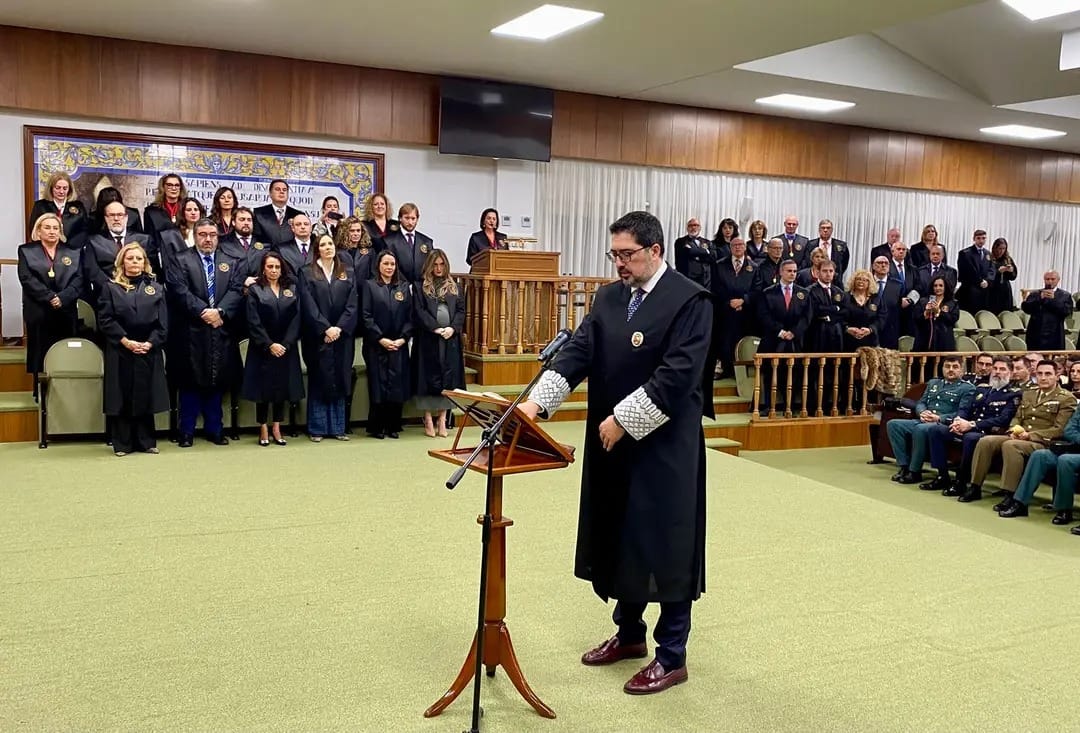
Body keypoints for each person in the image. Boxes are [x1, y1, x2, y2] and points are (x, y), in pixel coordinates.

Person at [518, 210, 712, 696]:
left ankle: (672, 656)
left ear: (655, 250)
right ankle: (629, 635)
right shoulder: (609, 297)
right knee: (623, 534)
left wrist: (624, 419)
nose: (620, 264)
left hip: (665, 449)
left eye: (627, 254)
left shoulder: (690, 300)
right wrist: (536, 404)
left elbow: (678, 375)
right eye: (615, 255)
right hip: (614, 445)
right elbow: (578, 352)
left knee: (665, 544)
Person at [165, 218, 244, 448]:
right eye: (203, 234)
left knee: (216, 381)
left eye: (212, 235)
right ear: (195, 235)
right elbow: (179, 290)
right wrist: (203, 311)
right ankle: (186, 432)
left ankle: (215, 430)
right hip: (190, 330)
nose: (208, 239)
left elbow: (236, 289)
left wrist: (220, 311)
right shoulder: (180, 259)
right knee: (189, 383)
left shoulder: (231, 261)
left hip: (220, 329)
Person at [964, 360, 1077, 502]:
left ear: (1057, 375)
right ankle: (975, 486)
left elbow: (1059, 429)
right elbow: (1017, 417)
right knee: (986, 441)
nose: (1043, 377)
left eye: (1048, 374)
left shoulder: (1066, 398)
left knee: (1011, 445)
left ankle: (1010, 493)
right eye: (1040, 374)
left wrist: (1030, 435)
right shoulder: (1029, 394)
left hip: (1043, 442)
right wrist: (1014, 429)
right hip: (1021, 436)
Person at [95, 243, 169, 456]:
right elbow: (105, 319)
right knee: (122, 395)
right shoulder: (110, 287)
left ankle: (146, 442)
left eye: (139, 258)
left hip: (148, 348)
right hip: (121, 348)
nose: (135, 262)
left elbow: (163, 322)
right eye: (130, 258)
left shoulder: (156, 288)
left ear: (145, 263)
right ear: (122, 262)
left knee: (146, 394)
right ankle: (123, 443)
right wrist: (125, 341)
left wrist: (151, 342)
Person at [920, 357, 1021, 496]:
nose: (997, 372)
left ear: (1010, 372)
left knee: (970, 438)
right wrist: (958, 421)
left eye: (1002, 369)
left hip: (988, 431)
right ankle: (942, 475)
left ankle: (961, 481)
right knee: (936, 429)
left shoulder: (1014, 394)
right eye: (995, 368)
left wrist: (971, 425)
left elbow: (1003, 419)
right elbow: (966, 409)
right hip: (967, 426)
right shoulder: (982, 389)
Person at [299, 235, 358, 442]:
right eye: (323, 245)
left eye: (330, 244)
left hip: (342, 336)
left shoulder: (347, 272)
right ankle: (317, 428)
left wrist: (339, 328)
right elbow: (308, 304)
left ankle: (338, 428)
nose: (327, 247)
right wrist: (325, 328)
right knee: (319, 378)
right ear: (317, 249)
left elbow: (352, 304)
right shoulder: (306, 272)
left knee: (340, 378)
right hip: (317, 336)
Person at [17, 213, 84, 397]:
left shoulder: (73, 251)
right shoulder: (26, 251)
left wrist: (62, 297)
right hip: (39, 309)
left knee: (65, 350)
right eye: (47, 227)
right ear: (38, 230)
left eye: (56, 228)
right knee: (40, 351)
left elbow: (79, 280)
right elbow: (26, 278)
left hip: (65, 309)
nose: (52, 231)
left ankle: (65, 391)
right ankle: (39, 392)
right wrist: (49, 297)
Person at [242, 251, 303, 446]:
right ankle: (263, 427)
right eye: (270, 266)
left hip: (286, 347)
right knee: (263, 389)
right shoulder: (255, 290)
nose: (274, 270)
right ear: (263, 269)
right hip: (263, 347)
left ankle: (277, 426)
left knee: (281, 388)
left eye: (277, 267)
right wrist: (269, 344)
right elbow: (253, 321)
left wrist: (286, 343)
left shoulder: (291, 288)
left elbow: (297, 318)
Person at [886, 356, 975, 484]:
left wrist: (939, 418)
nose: (950, 370)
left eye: (955, 367)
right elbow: (921, 402)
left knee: (920, 429)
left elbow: (963, 413)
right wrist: (922, 412)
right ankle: (904, 466)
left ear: (961, 370)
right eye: (947, 366)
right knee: (893, 425)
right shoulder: (934, 383)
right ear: (942, 368)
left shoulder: (967, 388)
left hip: (942, 424)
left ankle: (914, 471)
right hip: (925, 420)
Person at [412, 249, 466, 437]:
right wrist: (435, 328)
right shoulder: (420, 287)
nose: (438, 268)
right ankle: (428, 418)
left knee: (447, 378)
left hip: (450, 339)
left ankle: (442, 419)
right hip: (428, 338)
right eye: (435, 264)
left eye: (442, 264)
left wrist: (452, 328)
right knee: (427, 377)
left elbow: (461, 311)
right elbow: (419, 311)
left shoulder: (455, 286)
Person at [997, 406, 1080, 525]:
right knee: (1040, 455)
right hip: (1075, 448)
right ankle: (1020, 503)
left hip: (1072, 456)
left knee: (1066, 460)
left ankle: (1064, 509)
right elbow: (1069, 430)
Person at [362, 251, 412, 438]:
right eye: (386, 263)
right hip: (376, 345)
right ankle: (377, 427)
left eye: (392, 264)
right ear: (378, 265)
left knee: (396, 386)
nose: (389, 267)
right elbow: (366, 316)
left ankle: (393, 426)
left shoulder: (403, 287)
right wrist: (380, 338)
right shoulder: (369, 285)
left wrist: (402, 339)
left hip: (398, 344)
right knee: (378, 386)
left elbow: (410, 317)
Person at [756, 259, 811, 415]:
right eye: (789, 271)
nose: (792, 274)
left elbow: (807, 317)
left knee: (794, 374)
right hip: (773, 340)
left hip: (795, 341)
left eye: (794, 271)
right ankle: (768, 406)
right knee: (770, 374)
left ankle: (790, 406)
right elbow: (763, 315)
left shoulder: (803, 293)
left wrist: (794, 332)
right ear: (781, 272)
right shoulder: (768, 292)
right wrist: (780, 331)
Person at [83, 201, 152, 304]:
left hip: (140, 294)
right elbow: (93, 271)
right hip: (107, 295)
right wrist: (113, 288)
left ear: (126, 217)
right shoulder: (94, 242)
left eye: (120, 215)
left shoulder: (144, 240)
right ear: (106, 218)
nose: (116, 218)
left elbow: (152, 267)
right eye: (112, 215)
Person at [805, 260, 845, 414]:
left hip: (835, 335)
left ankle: (828, 405)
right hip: (817, 335)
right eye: (825, 271)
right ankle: (812, 406)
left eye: (831, 271)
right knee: (815, 370)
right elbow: (815, 311)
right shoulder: (810, 291)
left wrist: (830, 311)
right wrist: (834, 309)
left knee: (832, 370)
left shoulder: (838, 291)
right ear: (817, 272)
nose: (828, 274)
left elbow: (844, 311)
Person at [712, 237, 755, 379]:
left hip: (745, 313)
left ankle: (740, 373)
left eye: (740, 245)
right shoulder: (719, 265)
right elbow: (715, 287)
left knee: (741, 342)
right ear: (730, 248)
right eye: (734, 245)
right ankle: (724, 369)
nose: (738, 247)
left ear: (745, 247)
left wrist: (743, 301)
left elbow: (757, 290)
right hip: (725, 311)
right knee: (724, 341)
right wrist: (729, 302)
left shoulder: (754, 267)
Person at [911, 276, 959, 381]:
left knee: (942, 373)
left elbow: (953, 319)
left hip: (944, 342)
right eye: (935, 285)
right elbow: (915, 318)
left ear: (945, 287)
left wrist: (939, 312)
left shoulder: (952, 303)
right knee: (924, 375)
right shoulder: (923, 301)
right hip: (924, 341)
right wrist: (925, 313)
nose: (938, 288)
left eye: (941, 285)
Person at [27, 171, 89, 249]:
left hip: (73, 250)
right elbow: (34, 230)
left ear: (69, 189)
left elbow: (84, 230)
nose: (61, 191)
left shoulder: (78, 206)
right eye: (58, 188)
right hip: (47, 250)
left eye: (65, 188)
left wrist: (72, 247)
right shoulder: (40, 205)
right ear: (51, 188)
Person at [381, 202, 434, 286]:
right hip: (398, 286)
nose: (410, 222)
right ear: (400, 218)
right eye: (407, 218)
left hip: (422, 287)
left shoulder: (426, 242)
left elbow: (430, 266)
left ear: (417, 219)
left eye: (413, 218)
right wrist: (404, 285)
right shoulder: (389, 241)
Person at [1022, 271, 1072, 351]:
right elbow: (1026, 308)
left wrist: (1053, 300)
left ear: (1058, 280)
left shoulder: (1065, 295)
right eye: (1047, 279)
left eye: (1053, 279)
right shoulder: (1035, 294)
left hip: (1055, 334)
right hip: (1036, 333)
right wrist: (1040, 298)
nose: (1050, 281)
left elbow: (1066, 312)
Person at [158, 197, 206, 279]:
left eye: (196, 210)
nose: (193, 213)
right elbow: (168, 266)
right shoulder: (170, 236)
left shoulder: (209, 234)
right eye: (189, 210)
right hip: (180, 280)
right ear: (182, 213)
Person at [217, 206, 267, 286]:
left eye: (249, 220)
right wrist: (242, 280)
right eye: (242, 219)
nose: (246, 223)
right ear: (233, 222)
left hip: (260, 288)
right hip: (232, 288)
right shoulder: (222, 242)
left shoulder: (265, 241)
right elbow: (220, 269)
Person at [841, 269, 882, 351]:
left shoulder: (876, 299)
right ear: (853, 281)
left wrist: (871, 329)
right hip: (848, 341)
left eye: (865, 280)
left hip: (870, 341)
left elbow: (882, 317)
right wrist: (847, 329)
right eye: (858, 279)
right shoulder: (845, 297)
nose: (861, 282)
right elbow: (838, 317)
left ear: (869, 283)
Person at [143, 173, 187, 249]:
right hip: (162, 252)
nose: (174, 188)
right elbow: (149, 239)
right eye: (169, 185)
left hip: (185, 251)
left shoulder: (187, 208)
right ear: (163, 187)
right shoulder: (151, 211)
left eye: (177, 185)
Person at [252, 179, 303, 245]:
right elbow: (255, 239)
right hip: (266, 251)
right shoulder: (258, 213)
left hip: (291, 251)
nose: (281, 192)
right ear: (270, 193)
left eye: (284, 190)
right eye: (277, 189)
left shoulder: (298, 215)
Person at [956, 229, 994, 313]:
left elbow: (992, 269)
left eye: (983, 238)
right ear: (974, 239)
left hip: (984, 290)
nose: (981, 240)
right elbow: (968, 271)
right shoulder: (965, 253)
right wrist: (979, 281)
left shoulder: (988, 254)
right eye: (978, 238)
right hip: (970, 290)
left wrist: (987, 281)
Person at [673, 218, 714, 291]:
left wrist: (695, 254)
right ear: (687, 228)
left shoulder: (707, 242)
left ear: (700, 227)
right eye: (690, 225)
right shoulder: (681, 241)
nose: (693, 227)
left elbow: (712, 257)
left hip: (705, 281)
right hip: (687, 280)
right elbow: (689, 252)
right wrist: (705, 252)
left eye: (695, 225)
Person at [871, 256, 903, 349]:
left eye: (886, 263)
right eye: (880, 263)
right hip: (871, 328)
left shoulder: (898, 285)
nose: (883, 265)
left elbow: (900, 309)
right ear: (873, 266)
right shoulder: (867, 282)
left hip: (890, 330)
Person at [336, 215, 376, 282]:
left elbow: (373, 275)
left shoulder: (370, 252)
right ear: (345, 232)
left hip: (364, 287)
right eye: (352, 231)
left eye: (358, 230)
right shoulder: (338, 253)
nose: (356, 234)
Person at [987, 237, 1017, 314]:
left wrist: (1011, 271)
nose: (1001, 251)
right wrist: (998, 271)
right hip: (993, 289)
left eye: (1004, 249)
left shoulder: (1007, 259)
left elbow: (1013, 277)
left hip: (1005, 289)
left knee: (1006, 313)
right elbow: (986, 274)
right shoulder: (989, 258)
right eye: (1000, 248)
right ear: (995, 248)